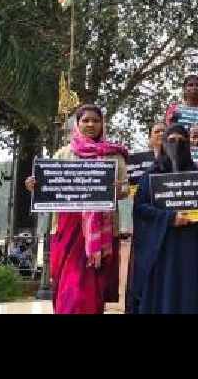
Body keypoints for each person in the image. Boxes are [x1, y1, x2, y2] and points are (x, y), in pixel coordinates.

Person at [24, 104, 129, 314]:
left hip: (100, 234)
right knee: (68, 285)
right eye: (86, 120)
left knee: (93, 289)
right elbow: (48, 185)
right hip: (67, 227)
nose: (91, 124)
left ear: (102, 124)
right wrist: (34, 185)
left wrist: (119, 190)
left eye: (95, 120)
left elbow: (125, 188)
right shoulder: (63, 153)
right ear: (77, 124)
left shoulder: (114, 156)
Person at [130, 124, 198, 314]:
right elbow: (140, 208)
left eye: (182, 141)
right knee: (163, 292)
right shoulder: (152, 174)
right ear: (164, 144)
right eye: (171, 140)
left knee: (190, 293)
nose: (177, 145)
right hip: (161, 247)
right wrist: (169, 218)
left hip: (191, 246)